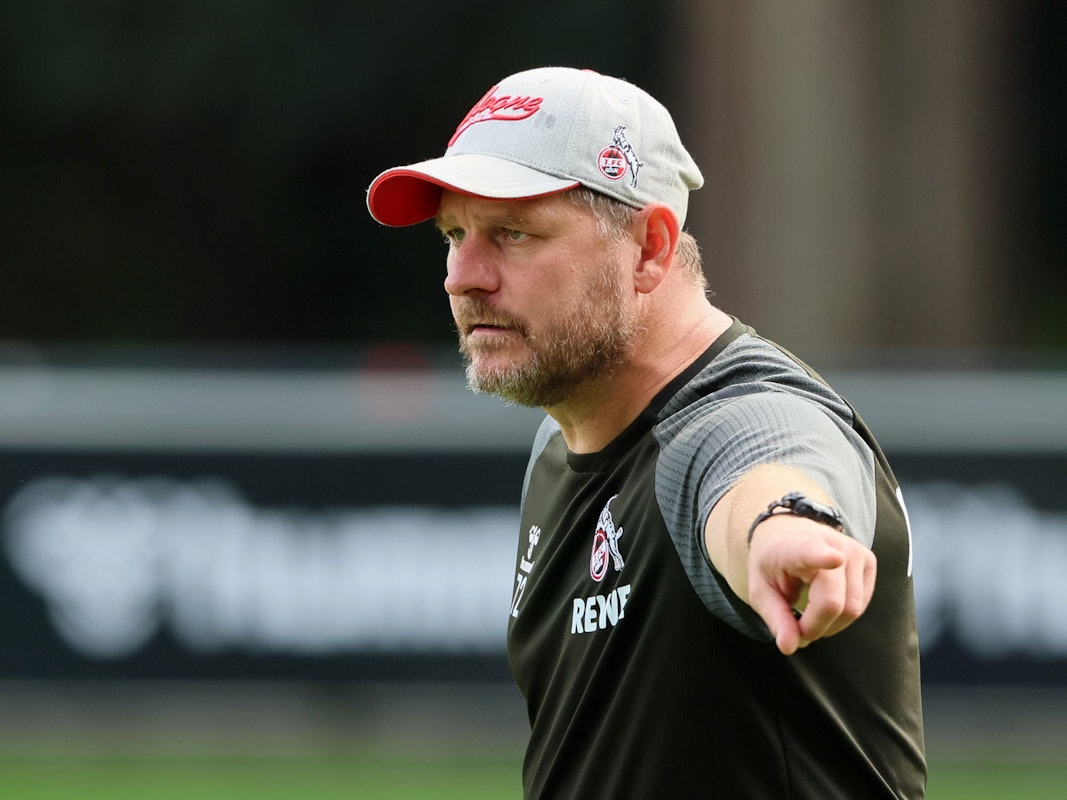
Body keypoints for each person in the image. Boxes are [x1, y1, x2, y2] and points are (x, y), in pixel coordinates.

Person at [367, 66, 926, 799]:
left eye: (512, 233)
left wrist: (782, 526)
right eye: (453, 234)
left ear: (651, 248)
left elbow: (766, 458)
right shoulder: (562, 439)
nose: (462, 277)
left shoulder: (731, 418)